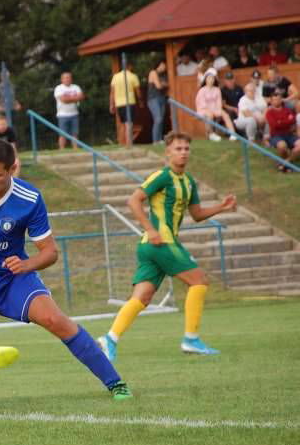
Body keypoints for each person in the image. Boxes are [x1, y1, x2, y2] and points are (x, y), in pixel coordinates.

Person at [0, 139, 131, 400]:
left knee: (56, 320)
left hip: (13, 278)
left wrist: (26, 264)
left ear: (12, 169)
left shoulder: (29, 198)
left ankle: (115, 383)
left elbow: (50, 252)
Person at [98, 131, 237, 360]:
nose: (183, 153)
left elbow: (197, 214)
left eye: (186, 149)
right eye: (178, 149)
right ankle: (191, 339)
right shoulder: (162, 176)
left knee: (141, 298)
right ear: (168, 152)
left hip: (153, 247)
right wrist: (151, 230)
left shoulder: (189, 181)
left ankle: (109, 339)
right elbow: (133, 200)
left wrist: (221, 208)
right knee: (199, 280)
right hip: (161, 242)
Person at [195, 69, 235, 140]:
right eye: (209, 78)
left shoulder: (217, 89)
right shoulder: (202, 90)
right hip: (203, 110)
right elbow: (202, 104)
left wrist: (218, 110)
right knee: (210, 115)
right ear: (206, 79)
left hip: (215, 109)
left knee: (225, 114)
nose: (211, 80)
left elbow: (219, 103)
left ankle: (233, 133)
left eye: (213, 78)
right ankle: (211, 134)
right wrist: (212, 111)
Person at [265, 92, 300, 172]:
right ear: (271, 101)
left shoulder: (287, 110)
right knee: (282, 146)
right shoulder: (269, 113)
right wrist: (287, 121)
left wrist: (280, 122)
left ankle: (284, 163)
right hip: (276, 136)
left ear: (281, 100)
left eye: (278, 99)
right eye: (274, 100)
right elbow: (274, 125)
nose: (276, 101)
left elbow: (293, 120)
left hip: (289, 134)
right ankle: (287, 165)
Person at [109, 62, 142, 146]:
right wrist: (141, 102)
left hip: (119, 103)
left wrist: (111, 104)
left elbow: (112, 92)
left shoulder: (115, 77)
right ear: (129, 66)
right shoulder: (133, 76)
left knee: (123, 123)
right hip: (130, 102)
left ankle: (121, 141)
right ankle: (129, 143)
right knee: (129, 123)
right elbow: (138, 92)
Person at [54, 72, 84, 148]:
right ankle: (61, 150)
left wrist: (69, 98)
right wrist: (74, 98)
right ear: (62, 79)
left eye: (69, 77)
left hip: (74, 114)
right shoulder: (58, 88)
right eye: (66, 77)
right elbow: (63, 100)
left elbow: (81, 97)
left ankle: (75, 149)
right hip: (62, 115)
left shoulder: (76, 87)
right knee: (62, 134)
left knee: (75, 133)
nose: (68, 79)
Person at [145, 60, 169, 144]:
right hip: (153, 99)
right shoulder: (153, 72)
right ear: (158, 65)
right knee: (158, 118)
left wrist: (163, 83)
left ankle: (159, 139)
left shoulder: (164, 75)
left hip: (162, 98)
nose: (164, 67)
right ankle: (155, 140)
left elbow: (165, 84)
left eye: (165, 66)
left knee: (161, 119)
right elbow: (158, 86)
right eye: (162, 65)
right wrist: (164, 84)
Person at [220, 72, 244, 138]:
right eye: (228, 80)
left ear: (234, 79)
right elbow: (224, 105)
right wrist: (233, 108)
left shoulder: (239, 88)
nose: (230, 81)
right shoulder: (223, 90)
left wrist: (240, 108)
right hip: (229, 109)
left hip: (240, 108)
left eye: (231, 79)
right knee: (230, 114)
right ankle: (233, 133)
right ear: (225, 81)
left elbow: (243, 100)